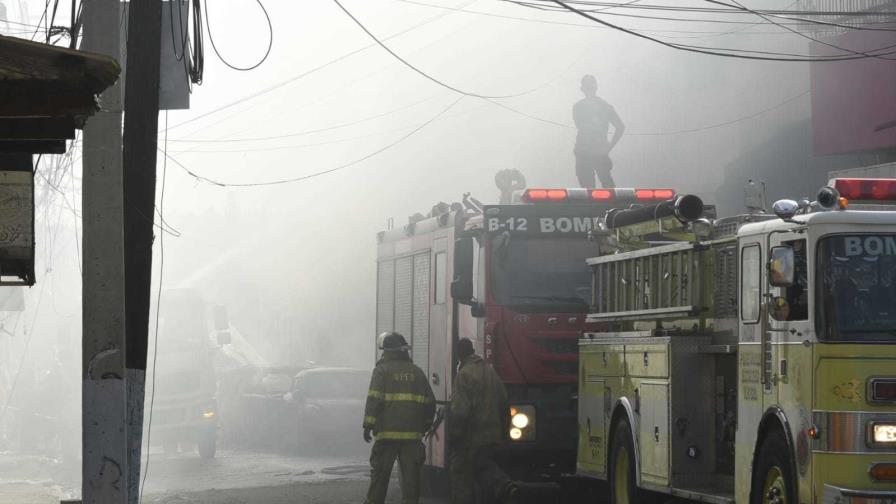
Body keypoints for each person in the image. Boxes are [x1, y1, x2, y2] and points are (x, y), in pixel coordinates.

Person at [363, 332, 436, 504]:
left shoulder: (381, 371)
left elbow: (374, 399)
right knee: (411, 483)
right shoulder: (417, 372)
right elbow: (430, 402)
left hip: (386, 437)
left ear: (390, 352)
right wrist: (425, 425)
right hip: (412, 438)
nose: (383, 355)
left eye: (384, 352)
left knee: (379, 478)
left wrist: (368, 425)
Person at [449, 338, 516, 504]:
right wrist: (504, 434)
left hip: (470, 438)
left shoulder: (463, 375)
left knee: (461, 477)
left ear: (459, 355)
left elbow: (460, 412)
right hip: (492, 437)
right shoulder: (490, 372)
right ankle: (506, 487)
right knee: (484, 468)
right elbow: (504, 404)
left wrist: (455, 436)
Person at [572, 74, 625, 188]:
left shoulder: (603, 106)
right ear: (583, 89)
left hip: (595, 152)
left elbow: (620, 127)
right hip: (586, 152)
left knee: (605, 186)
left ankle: (611, 205)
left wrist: (608, 147)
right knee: (591, 189)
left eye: (590, 87)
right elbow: (581, 126)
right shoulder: (579, 107)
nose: (589, 90)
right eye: (588, 87)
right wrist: (608, 147)